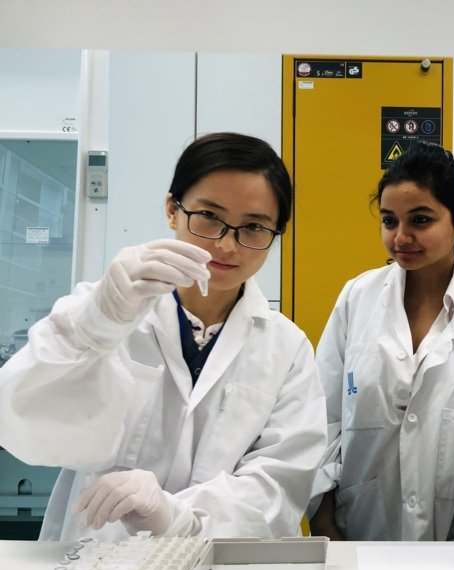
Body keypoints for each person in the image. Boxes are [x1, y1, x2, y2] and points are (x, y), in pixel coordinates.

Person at [0, 132, 327, 541]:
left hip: (221, 560)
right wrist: (96, 327)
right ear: (173, 209)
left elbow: (279, 484)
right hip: (100, 557)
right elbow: (25, 428)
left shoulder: (286, 348)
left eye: (254, 227)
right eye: (209, 216)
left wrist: (178, 515)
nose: (228, 244)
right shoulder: (101, 309)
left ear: (276, 234)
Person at [307, 141, 454, 541]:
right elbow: (322, 417)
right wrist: (323, 515)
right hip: (359, 534)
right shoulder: (357, 298)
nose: (401, 237)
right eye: (389, 220)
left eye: (420, 220)